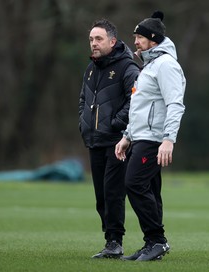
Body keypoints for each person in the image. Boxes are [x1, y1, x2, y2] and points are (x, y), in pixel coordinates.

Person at [115, 11, 186, 261]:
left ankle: (157, 240)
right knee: (150, 191)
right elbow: (140, 107)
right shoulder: (150, 66)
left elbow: (175, 104)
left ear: (152, 40)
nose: (135, 41)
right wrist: (127, 136)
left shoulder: (166, 65)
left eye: (139, 37)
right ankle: (151, 244)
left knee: (133, 183)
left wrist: (168, 139)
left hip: (154, 139)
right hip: (142, 137)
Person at [78, 19, 140, 259]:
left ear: (112, 42)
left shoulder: (127, 67)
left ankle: (115, 242)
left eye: (99, 39)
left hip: (118, 142)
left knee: (113, 193)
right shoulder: (91, 68)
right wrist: (83, 124)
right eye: (91, 39)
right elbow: (83, 99)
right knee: (101, 196)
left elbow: (136, 101)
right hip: (95, 140)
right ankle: (110, 240)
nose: (93, 43)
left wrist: (116, 123)